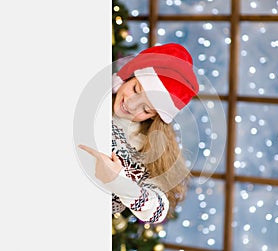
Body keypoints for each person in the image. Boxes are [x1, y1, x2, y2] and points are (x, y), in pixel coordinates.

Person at [79, 43, 199, 224]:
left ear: (155, 117)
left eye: (147, 109)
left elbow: (158, 209)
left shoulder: (143, 145)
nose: (131, 106)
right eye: (136, 90)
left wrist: (118, 181)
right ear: (128, 77)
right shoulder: (91, 97)